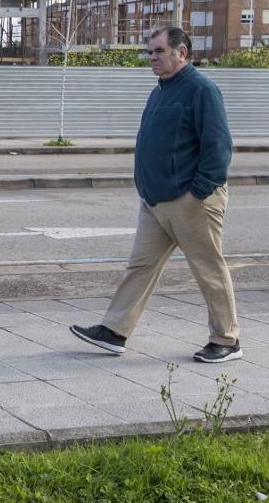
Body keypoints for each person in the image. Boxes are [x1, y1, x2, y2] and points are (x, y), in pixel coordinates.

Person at [70, 26, 241, 363]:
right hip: (155, 201)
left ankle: (227, 339)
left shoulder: (201, 89)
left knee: (209, 269)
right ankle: (115, 331)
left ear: (182, 53)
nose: (152, 58)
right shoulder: (160, 91)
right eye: (150, 52)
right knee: (140, 266)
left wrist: (199, 192)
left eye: (160, 51)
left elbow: (218, 146)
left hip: (190, 201)